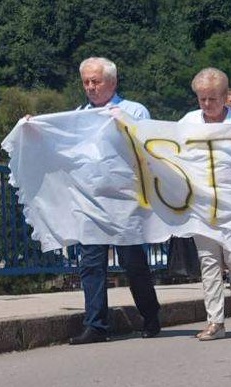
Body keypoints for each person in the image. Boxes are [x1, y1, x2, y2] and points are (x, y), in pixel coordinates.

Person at [68, 57, 161, 345]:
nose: (91, 87)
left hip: (125, 200)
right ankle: (95, 325)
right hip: (91, 200)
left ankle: (150, 315)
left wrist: (127, 124)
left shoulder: (134, 110)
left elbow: (150, 144)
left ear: (112, 82)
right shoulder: (78, 115)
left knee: (133, 261)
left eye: (96, 81)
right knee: (91, 263)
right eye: (86, 82)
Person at [179, 67, 231, 340]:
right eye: (202, 98)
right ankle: (215, 320)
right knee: (209, 261)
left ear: (225, 97)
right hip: (202, 205)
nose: (207, 104)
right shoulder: (188, 121)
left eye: (212, 98)